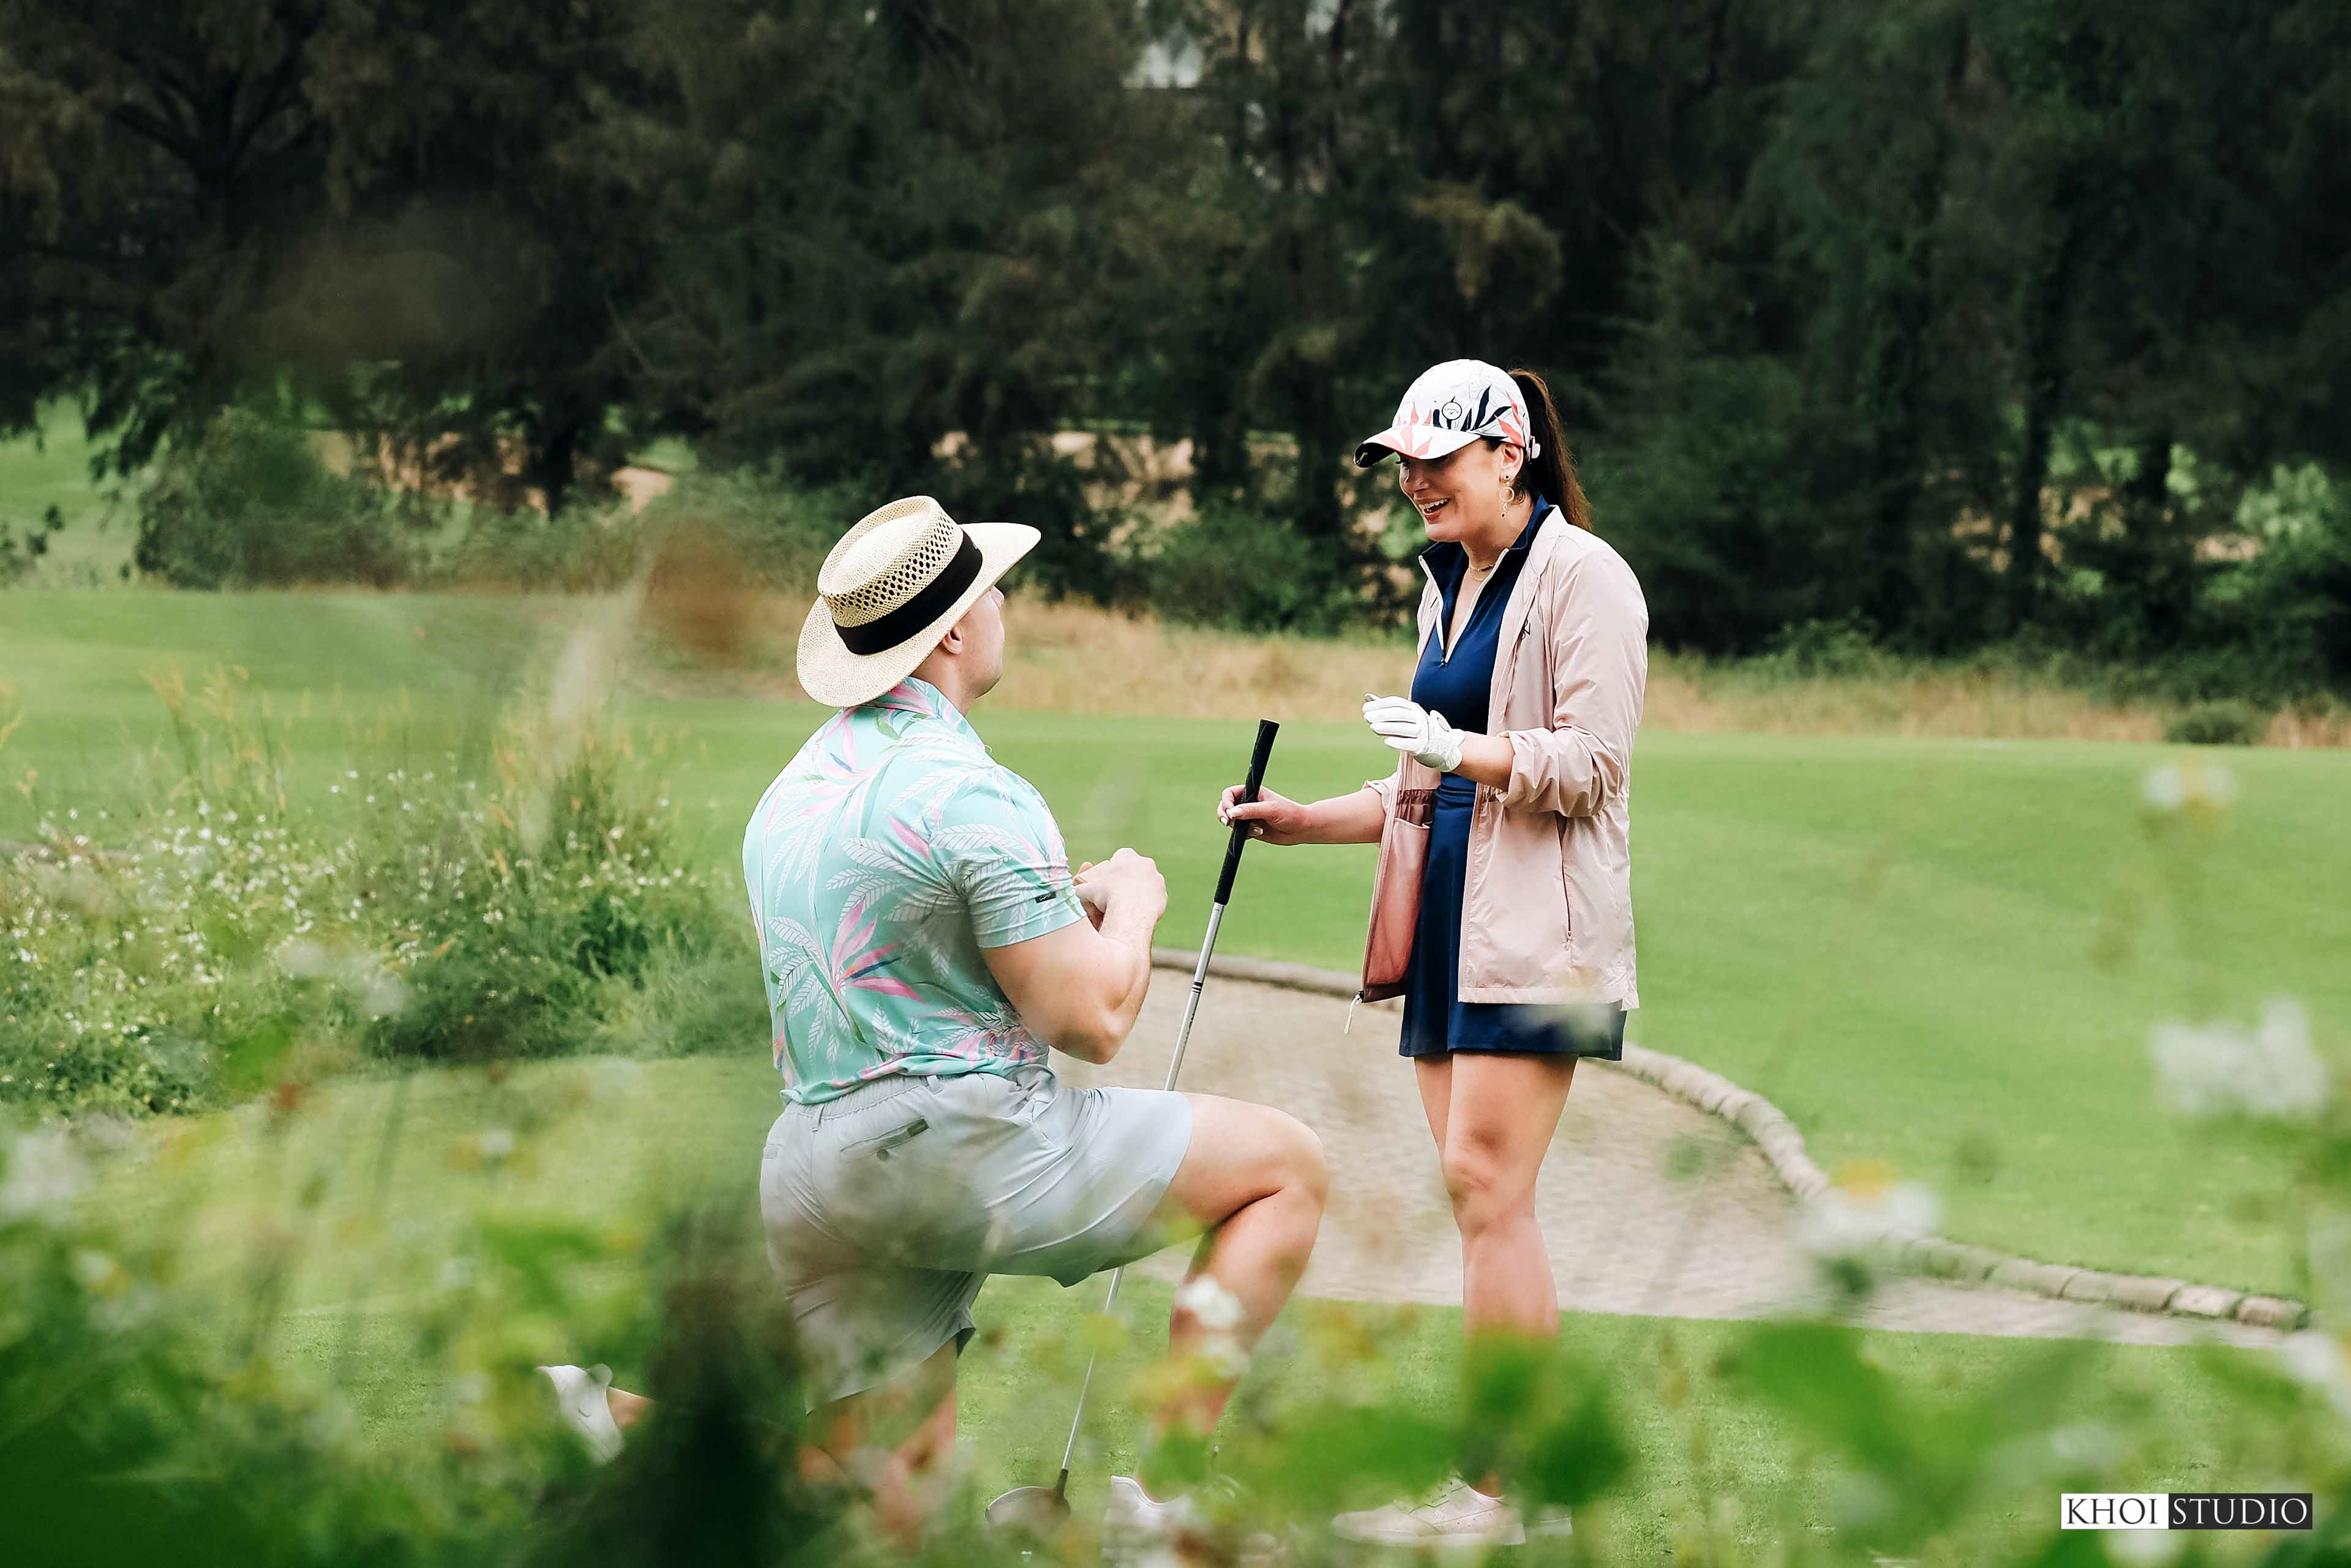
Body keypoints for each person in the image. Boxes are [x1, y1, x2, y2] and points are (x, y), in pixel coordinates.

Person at [544, 496, 1327, 1556]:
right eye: (989, 588)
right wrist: (1134, 902)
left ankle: (617, 1421)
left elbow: (925, 957)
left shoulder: (793, 791)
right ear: (955, 629)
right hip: (959, 1151)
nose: (1003, 601)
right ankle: (1169, 1505)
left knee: (888, 1501)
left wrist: (1057, 905)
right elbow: (1092, 1017)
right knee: (1286, 1166)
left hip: (815, 1165)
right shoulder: (974, 791)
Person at [1218, 359, 1646, 1548]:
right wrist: (1304, 818)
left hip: (1541, 941)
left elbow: (1591, 767)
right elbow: (1424, 777)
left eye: (1435, 460)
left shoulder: (1584, 579)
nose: (1414, 482)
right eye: (1401, 463)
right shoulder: (1446, 587)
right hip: (1450, 928)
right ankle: (1525, 1492)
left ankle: (1498, 1497)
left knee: (1486, 1189)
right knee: (1486, 1206)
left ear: (1508, 453)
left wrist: (1461, 748)